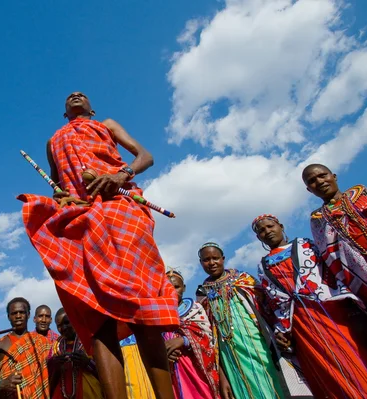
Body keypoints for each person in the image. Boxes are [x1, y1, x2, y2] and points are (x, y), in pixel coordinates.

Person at [18, 92, 178, 399]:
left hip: (121, 208)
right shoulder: (54, 142)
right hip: (82, 216)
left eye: (83, 95)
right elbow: (58, 186)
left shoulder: (106, 125)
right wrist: (61, 197)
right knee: (98, 314)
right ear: (64, 112)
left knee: (143, 303)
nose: (76, 95)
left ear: (92, 108)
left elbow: (146, 156)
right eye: (69, 96)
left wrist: (119, 175)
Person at [253, 213, 367, 398]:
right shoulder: (263, 265)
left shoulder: (305, 245)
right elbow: (275, 301)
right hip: (300, 323)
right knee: (324, 369)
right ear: (259, 238)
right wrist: (282, 330)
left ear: (280, 226)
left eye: (270, 227)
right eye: (261, 231)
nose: (267, 232)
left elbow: (330, 272)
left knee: (352, 354)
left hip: (330, 311)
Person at [198, 242, 286, 399]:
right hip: (229, 353)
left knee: (269, 383)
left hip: (257, 344)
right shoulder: (202, 294)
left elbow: (267, 308)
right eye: (206, 260)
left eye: (215, 258)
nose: (211, 263)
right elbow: (209, 336)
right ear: (201, 263)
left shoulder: (243, 280)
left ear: (223, 259)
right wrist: (222, 373)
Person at [302, 163, 367, 303]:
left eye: (322, 175)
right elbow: (330, 257)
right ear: (309, 190)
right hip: (359, 275)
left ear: (334, 176)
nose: (319, 181)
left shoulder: (362, 194)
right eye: (312, 181)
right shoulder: (318, 220)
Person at [163, 270, 221, 399]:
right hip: (170, 368)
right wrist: (165, 351)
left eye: (176, 287)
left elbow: (208, 336)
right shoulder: (159, 313)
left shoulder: (194, 309)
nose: (172, 291)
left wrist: (184, 340)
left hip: (195, 367)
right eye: (167, 288)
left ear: (183, 288)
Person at [0, 297, 51, 399]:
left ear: (28, 315)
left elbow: (52, 378)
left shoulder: (43, 343)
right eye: (14, 313)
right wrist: (3, 384)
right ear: (9, 317)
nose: (18, 316)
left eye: (22, 312)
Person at [47, 308, 103, 399]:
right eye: (59, 325)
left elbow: (106, 373)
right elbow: (49, 382)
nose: (64, 328)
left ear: (74, 320)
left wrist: (87, 363)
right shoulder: (55, 347)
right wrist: (55, 367)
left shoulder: (90, 341)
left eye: (67, 323)